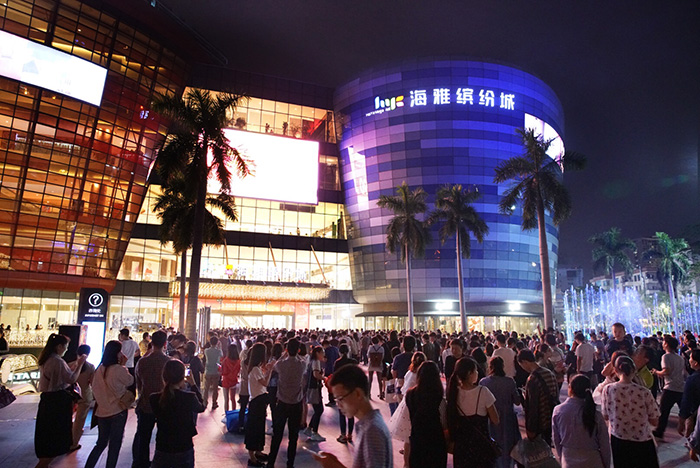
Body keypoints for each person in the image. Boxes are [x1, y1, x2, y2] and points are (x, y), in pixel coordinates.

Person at [312, 364, 393, 468]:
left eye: (340, 399)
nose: (338, 405)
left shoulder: (372, 431)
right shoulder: (368, 425)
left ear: (358, 394)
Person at [34, 333, 87, 468]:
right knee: (55, 438)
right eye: (65, 346)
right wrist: (80, 365)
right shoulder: (57, 361)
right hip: (57, 402)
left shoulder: (46, 359)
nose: (66, 349)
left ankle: (44, 463)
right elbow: (71, 379)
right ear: (59, 346)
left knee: (47, 437)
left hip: (47, 401)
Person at [601, 355, 660, 468]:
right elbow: (654, 421)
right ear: (634, 370)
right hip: (642, 440)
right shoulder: (644, 392)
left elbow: (606, 416)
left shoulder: (608, 390)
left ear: (615, 370)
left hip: (618, 439)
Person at [85, 340, 134, 468]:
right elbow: (130, 381)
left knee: (101, 443)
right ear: (117, 353)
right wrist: (123, 365)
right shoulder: (118, 369)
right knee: (114, 445)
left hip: (102, 412)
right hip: (117, 411)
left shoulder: (99, 370)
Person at [150, 359, 206, 468]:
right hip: (184, 447)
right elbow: (201, 407)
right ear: (182, 377)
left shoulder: (154, 398)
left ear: (164, 376)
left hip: (163, 446)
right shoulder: (189, 397)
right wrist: (193, 384)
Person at [446, 357, 499, 468]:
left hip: (461, 447)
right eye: (475, 371)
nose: (477, 373)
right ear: (469, 373)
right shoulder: (483, 392)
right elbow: (496, 420)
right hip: (480, 447)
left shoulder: (454, 393)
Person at [552, 374, 611, 468]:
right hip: (593, 461)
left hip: (568, 460)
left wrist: (562, 458)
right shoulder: (595, 414)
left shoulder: (558, 411)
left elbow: (556, 439)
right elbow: (604, 444)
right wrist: (606, 464)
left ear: (570, 388)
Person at [266, 338, 307, 468]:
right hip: (296, 403)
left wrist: (285, 354)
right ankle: (290, 464)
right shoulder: (302, 365)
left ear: (286, 349)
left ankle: (271, 463)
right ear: (298, 350)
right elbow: (302, 359)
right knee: (293, 437)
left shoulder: (281, 365)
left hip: (282, 403)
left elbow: (276, 364)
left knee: (277, 435)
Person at [132, 330, 171, 468]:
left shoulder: (142, 362)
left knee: (143, 437)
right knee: (163, 437)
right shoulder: (168, 362)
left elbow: (138, 384)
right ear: (165, 344)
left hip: (145, 403)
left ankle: (140, 463)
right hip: (164, 404)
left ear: (152, 343)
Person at [480, 356, 521, 468]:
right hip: (508, 419)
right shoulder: (510, 382)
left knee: (493, 446)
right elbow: (517, 401)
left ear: (490, 367)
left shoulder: (484, 382)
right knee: (508, 447)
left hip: (490, 419)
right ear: (502, 366)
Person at [405, 361, 447, 468]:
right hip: (436, 441)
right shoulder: (439, 397)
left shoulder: (410, 394)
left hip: (416, 439)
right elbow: (444, 421)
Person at [517, 348, 559, 444]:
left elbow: (533, 406)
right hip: (551, 416)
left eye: (521, 365)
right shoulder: (549, 373)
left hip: (541, 422)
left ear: (525, 362)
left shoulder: (532, 379)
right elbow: (556, 394)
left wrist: (531, 428)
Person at [651, 334, 686, 439]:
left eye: (663, 342)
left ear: (666, 344)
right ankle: (691, 430)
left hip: (670, 387)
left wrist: (656, 372)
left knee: (663, 411)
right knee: (684, 411)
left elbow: (666, 371)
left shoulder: (666, 356)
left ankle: (659, 431)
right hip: (680, 387)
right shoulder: (679, 358)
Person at [245, 342, 271, 467]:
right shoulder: (255, 369)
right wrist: (270, 371)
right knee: (255, 429)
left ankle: (258, 451)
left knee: (259, 427)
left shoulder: (256, 368)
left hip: (258, 400)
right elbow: (265, 383)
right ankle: (252, 457)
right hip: (257, 401)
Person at [70, 344, 96, 452]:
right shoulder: (90, 367)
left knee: (68, 418)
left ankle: (66, 440)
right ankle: (74, 443)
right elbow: (92, 383)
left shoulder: (70, 365)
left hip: (71, 395)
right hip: (85, 395)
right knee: (80, 421)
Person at [334, 343, 358, 443]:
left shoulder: (337, 363)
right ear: (348, 351)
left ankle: (343, 435)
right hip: (351, 390)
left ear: (339, 352)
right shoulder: (353, 362)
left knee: (342, 413)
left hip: (341, 391)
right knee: (350, 413)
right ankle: (350, 435)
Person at [679, 348, 700, 437]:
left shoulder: (692, 379)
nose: (689, 360)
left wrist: (681, 421)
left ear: (696, 363)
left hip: (696, 416)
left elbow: (686, 401)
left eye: (691, 358)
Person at [203, 335, 223, 410]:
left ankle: (205, 402)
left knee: (206, 388)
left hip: (208, 370)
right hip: (215, 371)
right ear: (217, 342)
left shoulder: (206, 351)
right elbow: (222, 355)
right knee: (215, 388)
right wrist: (219, 347)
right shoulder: (218, 351)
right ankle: (214, 403)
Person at [221, 343, 241, 413]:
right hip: (234, 380)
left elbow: (223, 372)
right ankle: (233, 412)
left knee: (226, 399)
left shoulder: (225, 360)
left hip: (226, 380)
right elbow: (238, 371)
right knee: (233, 399)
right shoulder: (238, 361)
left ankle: (227, 413)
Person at [119, 328, 140, 393]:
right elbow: (138, 351)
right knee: (131, 383)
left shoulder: (121, 344)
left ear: (122, 335)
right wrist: (132, 356)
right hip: (131, 365)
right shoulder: (134, 343)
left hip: (123, 365)